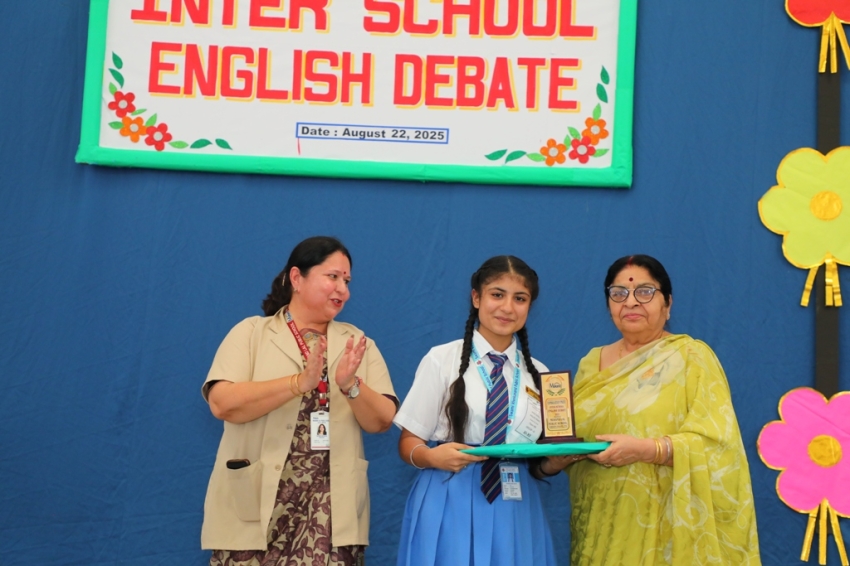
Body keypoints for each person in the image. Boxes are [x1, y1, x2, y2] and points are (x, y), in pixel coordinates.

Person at [201, 236, 397, 566]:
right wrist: (298, 384)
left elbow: (382, 420)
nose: (343, 289)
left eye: (347, 281)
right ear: (297, 278)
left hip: (329, 513)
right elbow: (222, 404)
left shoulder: (357, 343)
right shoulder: (251, 333)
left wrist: (350, 385)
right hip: (256, 505)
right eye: (332, 277)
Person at [556, 254, 760, 565]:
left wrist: (647, 450)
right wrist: (556, 457)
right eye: (619, 293)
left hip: (667, 531)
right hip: (600, 523)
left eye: (645, 291)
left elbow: (720, 448)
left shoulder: (692, 357)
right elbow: (572, 439)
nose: (631, 301)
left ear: (668, 303)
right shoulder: (590, 363)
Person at [394, 256, 564, 566]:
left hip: (516, 502)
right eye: (497, 295)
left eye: (520, 298)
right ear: (476, 298)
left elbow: (540, 465)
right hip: (448, 494)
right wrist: (432, 457)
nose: (507, 307)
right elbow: (408, 443)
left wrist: (558, 461)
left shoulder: (541, 376)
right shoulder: (441, 360)